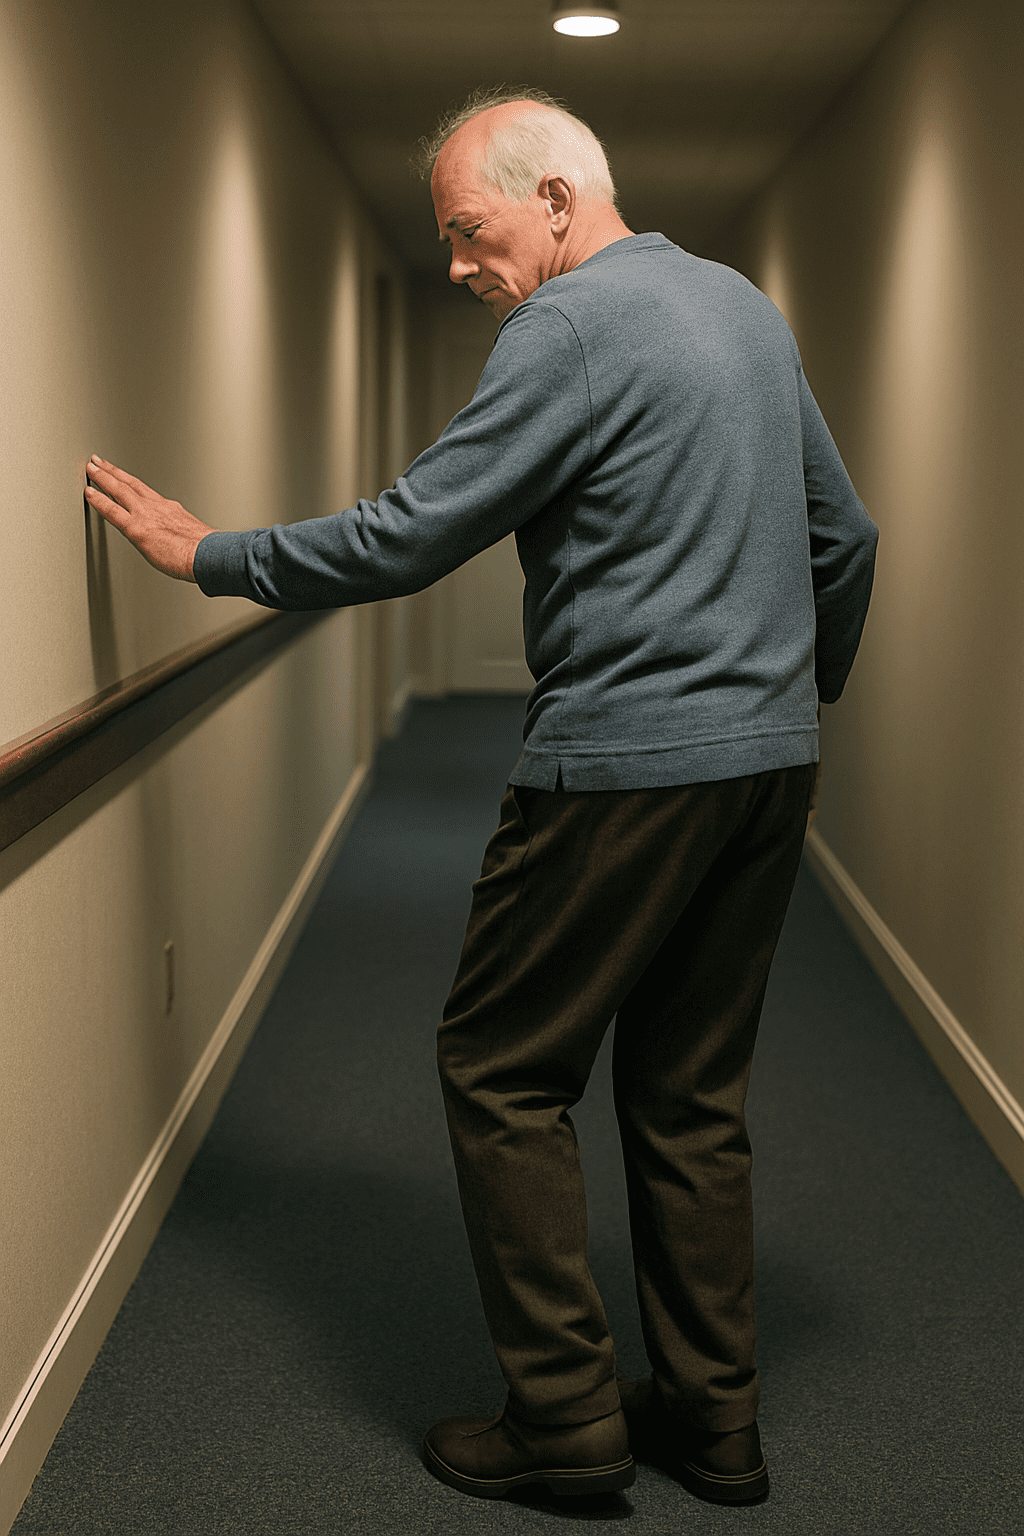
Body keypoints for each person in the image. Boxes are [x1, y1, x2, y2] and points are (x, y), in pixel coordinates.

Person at [85, 86, 877, 1508]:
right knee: (691, 1095)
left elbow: (410, 534)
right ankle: (714, 1419)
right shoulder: (744, 309)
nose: (457, 265)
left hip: (620, 770)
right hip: (764, 772)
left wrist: (211, 554)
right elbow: (846, 536)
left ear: (559, 200)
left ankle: (566, 1419)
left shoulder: (565, 330)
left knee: (503, 1070)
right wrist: (785, 704)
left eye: (469, 230)